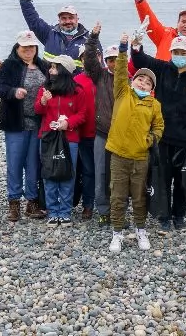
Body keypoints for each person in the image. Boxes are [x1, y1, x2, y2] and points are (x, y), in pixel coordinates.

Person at [130, 34, 186, 235]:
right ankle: (164, 216)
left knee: (182, 182)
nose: (179, 56)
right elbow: (141, 60)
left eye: (183, 53)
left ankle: (179, 215)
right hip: (163, 137)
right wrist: (136, 46)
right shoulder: (164, 68)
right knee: (162, 179)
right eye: (175, 52)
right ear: (171, 53)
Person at [106, 33, 165, 252]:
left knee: (140, 197)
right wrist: (123, 48)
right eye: (140, 78)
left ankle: (141, 230)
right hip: (119, 154)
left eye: (148, 81)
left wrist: (150, 140)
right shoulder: (123, 92)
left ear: (152, 87)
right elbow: (120, 71)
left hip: (141, 157)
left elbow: (159, 127)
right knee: (118, 196)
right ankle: (117, 232)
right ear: (133, 80)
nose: (143, 82)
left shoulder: (154, 105)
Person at [0, 30, 50, 222]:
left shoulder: (43, 66)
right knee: (15, 163)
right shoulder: (9, 65)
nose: (28, 50)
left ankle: (32, 202)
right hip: (16, 123)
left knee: (34, 164)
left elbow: (54, 82)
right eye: (24, 47)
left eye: (32, 47)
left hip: (37, 123)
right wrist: (13, 91)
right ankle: (14, 203)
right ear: (17, 48)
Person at [34, 55, 88, 226]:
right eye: (50, 67)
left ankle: (65, 212)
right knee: (49, 174)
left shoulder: (77, 91)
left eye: (54, 67)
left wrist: (68, 123)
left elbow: (82, 114)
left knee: (67, 175)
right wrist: (43, 101)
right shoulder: (45, 89)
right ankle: (52, 211)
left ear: (64, 70)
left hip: (69, 137)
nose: (50, 71)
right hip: (48, 137)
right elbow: (37, 110)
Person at [83, 23, 119, 226]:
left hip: (124, 136)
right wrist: (93, 37)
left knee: (121, 176)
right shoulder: (100, 76)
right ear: (105, 61)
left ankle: (119, 210)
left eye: (118, 59)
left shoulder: (132, 80)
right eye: (110, 60)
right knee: (101, 174)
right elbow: (89, 60)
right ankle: (103, 210)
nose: (114, 63)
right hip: (102, 134)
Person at [17, 0, 91, 68]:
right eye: (63, 18)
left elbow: (98, 67)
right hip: (50, 81)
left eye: (71, 18)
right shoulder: (49, 34)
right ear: (59, 20)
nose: (67, 21)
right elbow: (33, 20)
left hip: (76, 82)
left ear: (77, 19)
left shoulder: (89, 40)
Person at [73, 44, 97, 220]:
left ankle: (108, 205)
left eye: (94, 56)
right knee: (87, 171)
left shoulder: (106, 77)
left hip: (105, 134)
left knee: (106, 171)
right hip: (84, 134)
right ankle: (88, 205)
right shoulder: (76, 81)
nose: (89, 60)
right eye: (85, 57)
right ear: (81, 60)